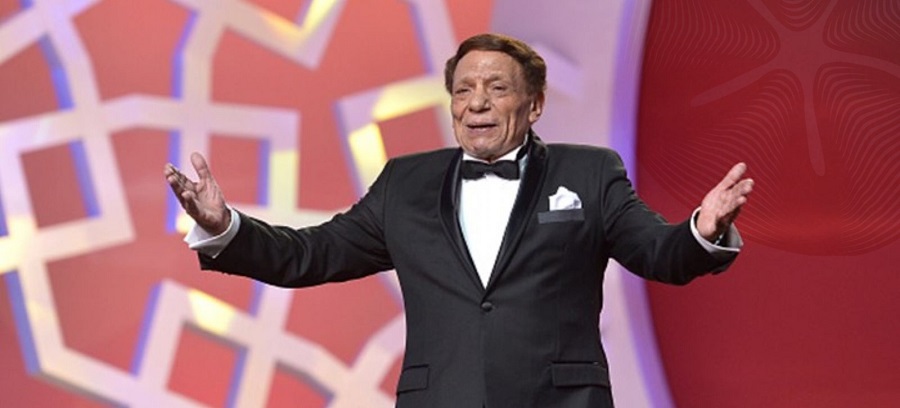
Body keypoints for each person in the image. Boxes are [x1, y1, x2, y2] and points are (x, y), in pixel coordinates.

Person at [165, 33, 753, 408]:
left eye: (497, 88)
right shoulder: (405, 183)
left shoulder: (590, 172)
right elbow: (309, 255)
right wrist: (224, 225)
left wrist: (703, 229)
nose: (477, 103)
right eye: (463, 89)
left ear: (535, 104)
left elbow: (657, 252)